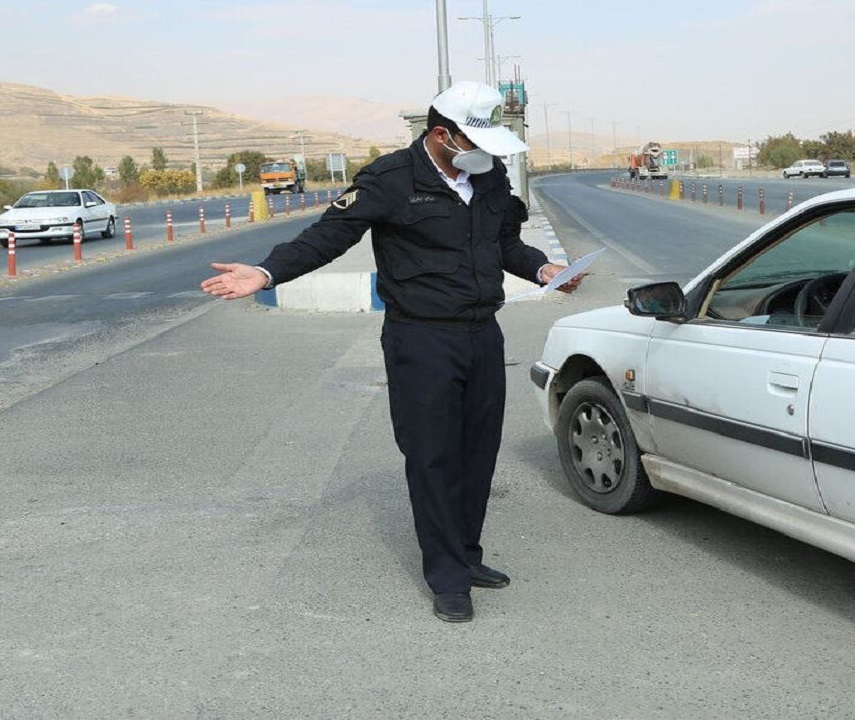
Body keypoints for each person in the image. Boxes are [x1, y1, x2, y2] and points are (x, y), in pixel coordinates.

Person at [200, 81, 582, 623]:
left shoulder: (490, 176)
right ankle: (447, 578)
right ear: (441, 134)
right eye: (475, 141)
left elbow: (506, 244)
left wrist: (543, 268)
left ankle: (466, 556)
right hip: (420, 337)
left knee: (477, 452)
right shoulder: (390, 179)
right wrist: (266, 272)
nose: (488, 154)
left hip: (482, 333)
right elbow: (327, 236)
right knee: (431, 456)